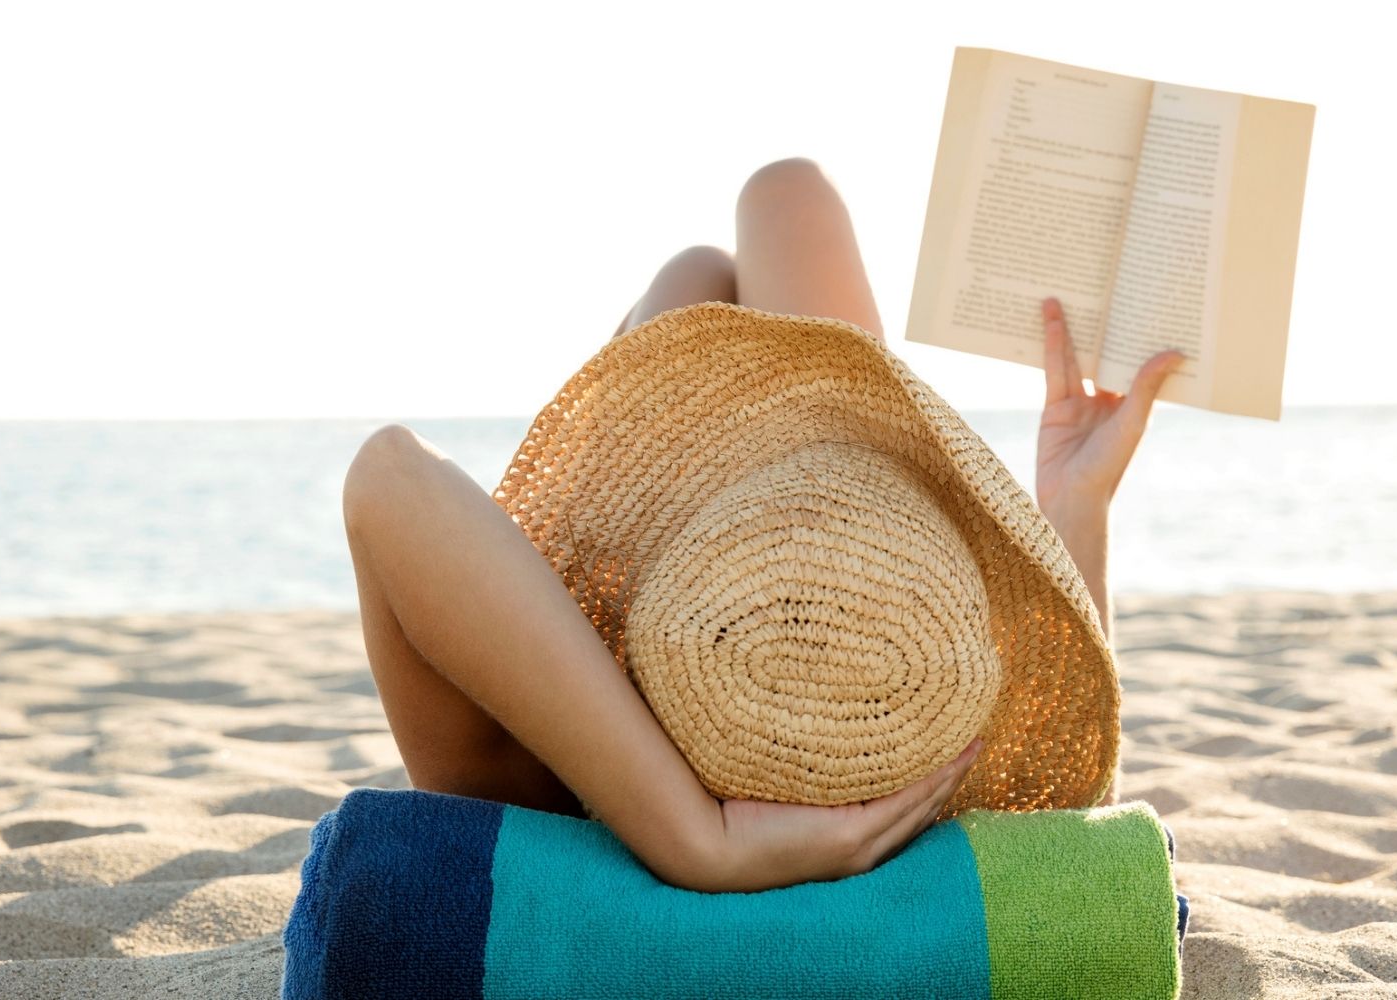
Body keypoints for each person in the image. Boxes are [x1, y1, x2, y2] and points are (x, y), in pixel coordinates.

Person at [339, 157, 1185, 893]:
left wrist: (699, 844)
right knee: (785, 195)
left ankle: (690, 329)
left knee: (693, 277)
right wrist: (1076, 502)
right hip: (811, 519)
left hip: (669, 635)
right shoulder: (939, 747)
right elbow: (1082, 799)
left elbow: (389, 474)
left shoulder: (534, 785)